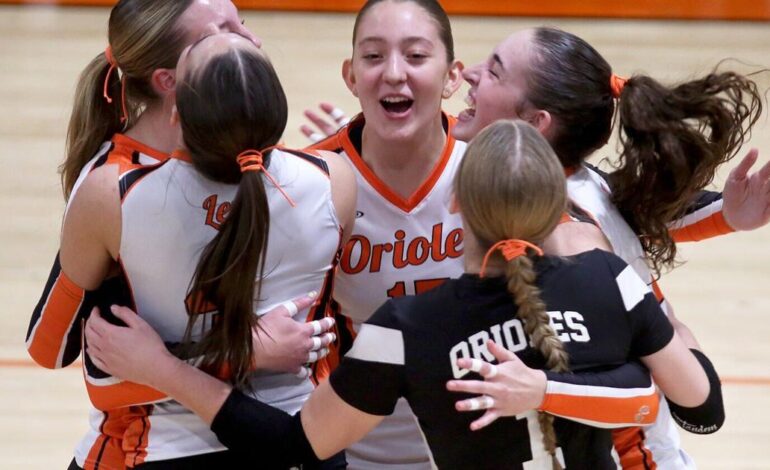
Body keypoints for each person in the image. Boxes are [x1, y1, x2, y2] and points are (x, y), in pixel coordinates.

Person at [84, 120, 724, 469]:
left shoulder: (408, 326)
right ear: (558, 207)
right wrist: (662, 326)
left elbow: (292, 448)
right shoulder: (610, 279)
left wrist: (164, 368)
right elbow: (702, 410)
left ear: (453, 204)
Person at [29, 12, 355, 468]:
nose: (248, 38)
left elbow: (67, 353)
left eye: (238, 25)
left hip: (163, 444)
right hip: (299, 437)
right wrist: (248, 353)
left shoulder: (113, 194)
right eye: (220, 33)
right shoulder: (333, 178)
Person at [444, 27, 766, 469]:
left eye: (495, 72)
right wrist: (728, 216)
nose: (471, 75)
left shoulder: (569, 245)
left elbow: (698, 407)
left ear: (536, 123)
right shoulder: (580, 183)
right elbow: (640, 217)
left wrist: (675, 333)